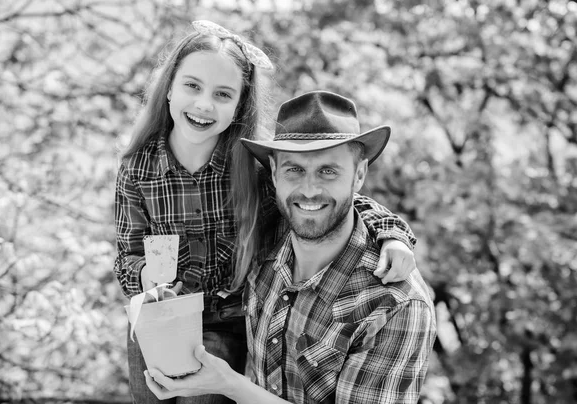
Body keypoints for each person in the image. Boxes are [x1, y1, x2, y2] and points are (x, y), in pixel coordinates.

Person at [114, 18, 419, 404]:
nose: (204, 104)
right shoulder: (137, 169)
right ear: (169, 89)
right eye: (192, 86)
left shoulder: (250, 169)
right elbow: (130, 252)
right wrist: (146, 279)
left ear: (239, 107)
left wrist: (392, 234)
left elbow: (325, 203)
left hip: (227, 319)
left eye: (223, 95)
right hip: (159, 315)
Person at [143, 91, 437, 404]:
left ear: (359, 175)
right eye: (294, 169)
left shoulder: (394, 303)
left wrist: (230, 385)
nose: (309, 190)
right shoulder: (269, 235)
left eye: (328, 170)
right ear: (273, 174)